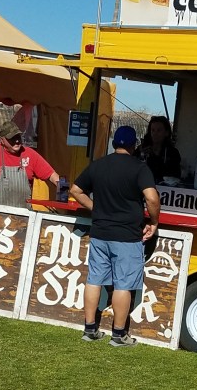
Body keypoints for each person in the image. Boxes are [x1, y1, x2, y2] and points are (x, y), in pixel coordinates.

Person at [69, 125, 160, 347]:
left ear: (113, 144)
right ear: (134, 145)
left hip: (100, 233)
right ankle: (118, 335)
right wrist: (154, 221)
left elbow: (75, 190)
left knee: (94, 279)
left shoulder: (98, 165)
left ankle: (90, 329)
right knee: (123, 285)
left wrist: (96, 208)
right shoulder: (140, 168)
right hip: (127, 235)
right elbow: (152, 198)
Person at [140, 116, 181, 184]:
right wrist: (141, 155)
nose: (155, 134)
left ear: (166, 133)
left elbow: (175, 176)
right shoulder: (142, 149)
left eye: (159, 130)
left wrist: (154, 158)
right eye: (152, 130)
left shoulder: (172, 153)